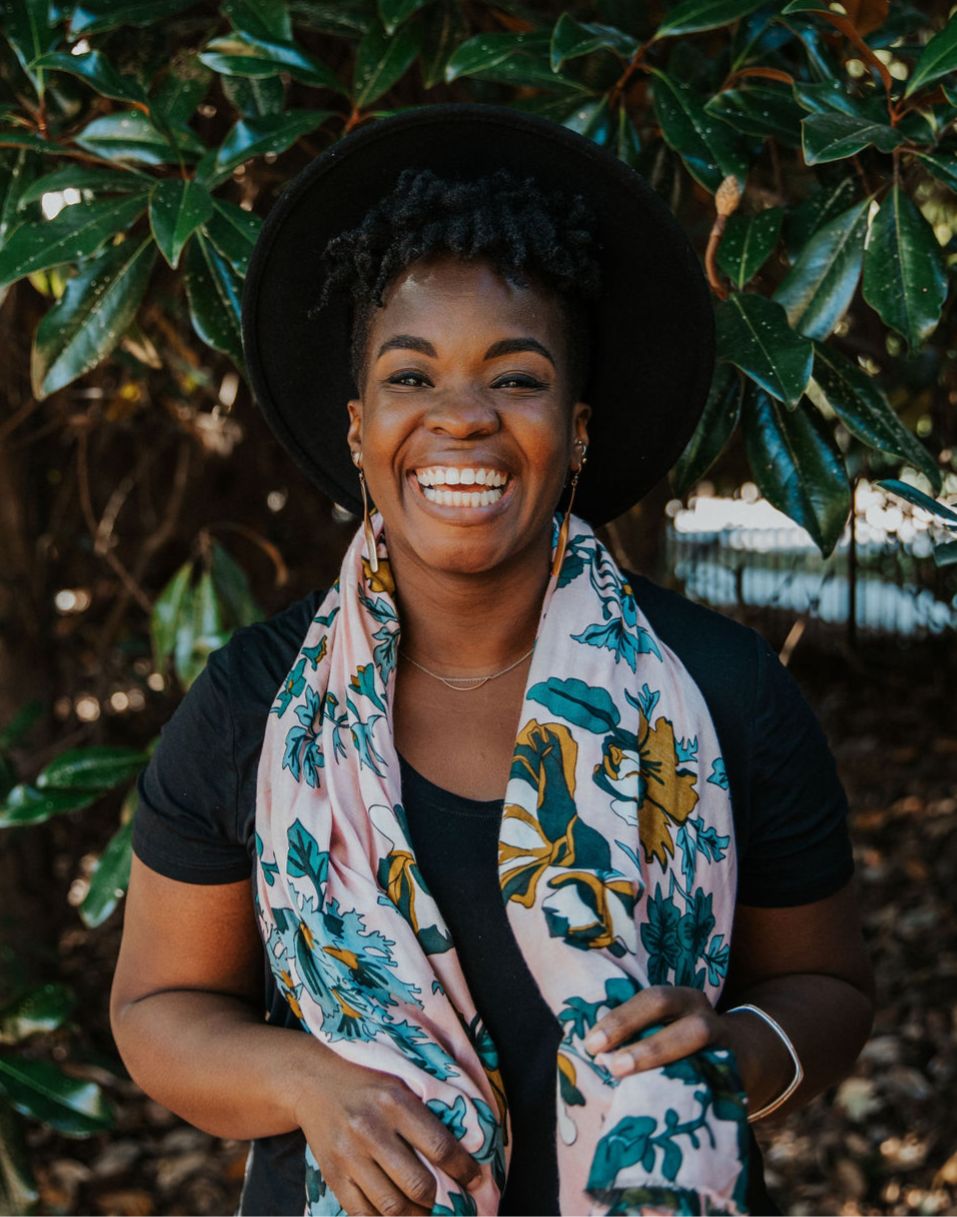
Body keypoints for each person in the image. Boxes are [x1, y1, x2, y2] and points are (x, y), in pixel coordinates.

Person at [111, 106, 874, 1217]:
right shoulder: (254, 703)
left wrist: (739, 1048)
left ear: (575, 430)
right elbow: (155, 1005)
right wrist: (307, 1080)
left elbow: (832, 988)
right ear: (360, 428)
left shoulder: (724, 691)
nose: (461, 418)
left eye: (515, 378)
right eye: (412, 378)